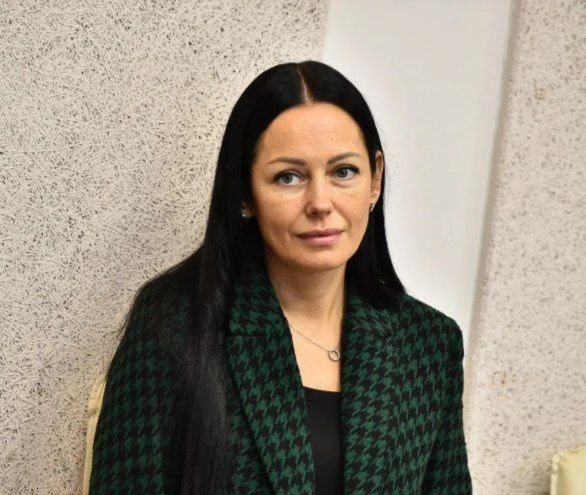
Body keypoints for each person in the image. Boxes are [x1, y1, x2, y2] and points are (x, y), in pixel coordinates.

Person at [89, 60, 473, 495]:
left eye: (343, 171)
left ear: (375, 178)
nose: (320, 203)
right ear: (244, 193)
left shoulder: (428, 344)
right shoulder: (174, 323)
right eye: (288, 177)